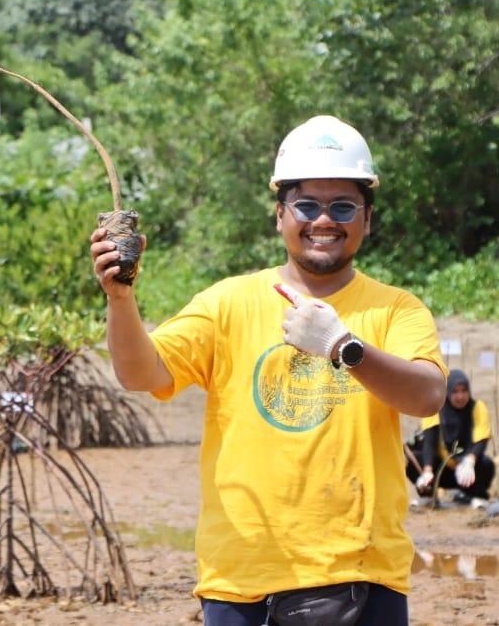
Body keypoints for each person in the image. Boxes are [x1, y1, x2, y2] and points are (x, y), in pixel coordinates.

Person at [90, 115, 447, 626]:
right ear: (279, 214)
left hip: (360, 573)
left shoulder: (395, 310)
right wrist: (120, 299)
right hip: (241, 579)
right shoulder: (226, 302)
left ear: (367, 218)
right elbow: (141, 373)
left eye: (343, 206)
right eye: (307, 205)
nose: (324, 220)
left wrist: (344, 347)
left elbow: (428, 396)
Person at [405, 369, 496, 508]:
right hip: (443, 469)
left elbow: (481, 439)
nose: (460, 396)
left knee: (487, 465)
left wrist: (470, 460)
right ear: (446, 392)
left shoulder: (478, 407)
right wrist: (427, 472)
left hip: (468, 472)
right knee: (411, 460)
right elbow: (430, 442)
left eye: (463, 390)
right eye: (455, 391)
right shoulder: (434, 408)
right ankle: (428, 496)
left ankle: (469, 496)